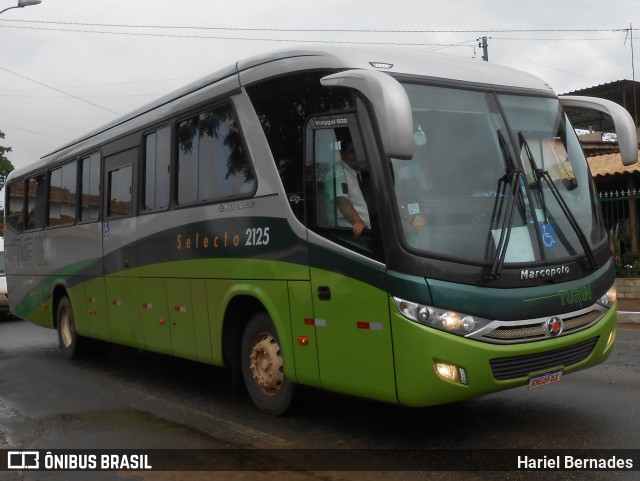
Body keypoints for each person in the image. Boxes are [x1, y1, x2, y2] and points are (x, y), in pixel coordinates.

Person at [325, 139, 370, 237]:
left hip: (363, 232)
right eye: (352, 152)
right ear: (342, 154)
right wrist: (358, 222)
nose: (357, 156)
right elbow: (341, 200)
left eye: (359, 151)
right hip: (349, 235)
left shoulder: (354, 173)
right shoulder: (337, 173)